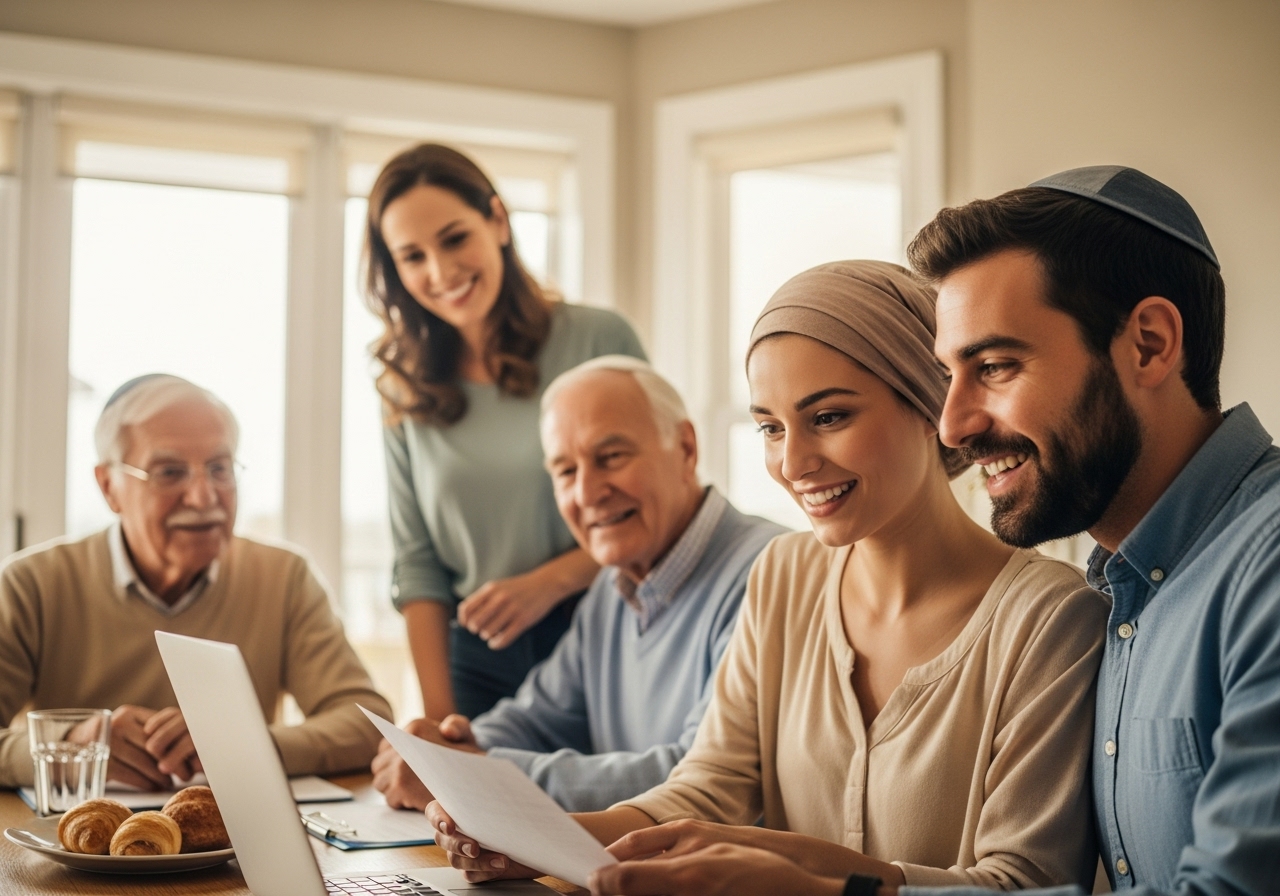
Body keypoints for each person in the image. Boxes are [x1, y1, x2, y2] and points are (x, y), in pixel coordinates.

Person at [592, 168, 1280, 896]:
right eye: (951, 374)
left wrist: (825, 890)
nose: (953, 423)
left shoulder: (1238, 571)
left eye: (996, 366)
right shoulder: (1132, 587)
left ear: (1148, 344)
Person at [430, 261, 1111, 891]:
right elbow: (707, 787)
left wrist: (819, 886)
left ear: (931, 404)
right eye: (770, 428)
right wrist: (542, 842)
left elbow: (1027, 884)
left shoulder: (1052, 619)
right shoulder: (785, 574)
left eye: (828, 417)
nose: (793, 462)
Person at [371, 357, 786, 812]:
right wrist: (438, 750)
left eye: (610, 458)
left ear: (685, 449)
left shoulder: (770, 575)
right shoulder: (611, 590)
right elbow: (535, 719)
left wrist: (474, 776)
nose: (587, 493)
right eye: (566, 472)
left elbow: (699, 777)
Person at [0, 374, 392, 790]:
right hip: (76, 847)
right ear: (108, 486)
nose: (204, 497)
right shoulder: (32, 586)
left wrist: (243, 746)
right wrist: (74, 747)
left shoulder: (283, 578)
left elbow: (366, 722)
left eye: (220, 468)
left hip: (232, 844)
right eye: (170, 472)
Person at [365, 143, 646, 720]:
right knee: (462, 809)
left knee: (603, 807)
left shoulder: (598, 340)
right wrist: (442, 722)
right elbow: (417, 564)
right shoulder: (401, 385)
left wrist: (549, 583)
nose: (441, 273)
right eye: (412, 256)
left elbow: (660, 506)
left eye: (454, 238)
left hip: (605, 628)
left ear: (497, 221)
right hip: (475, 654)